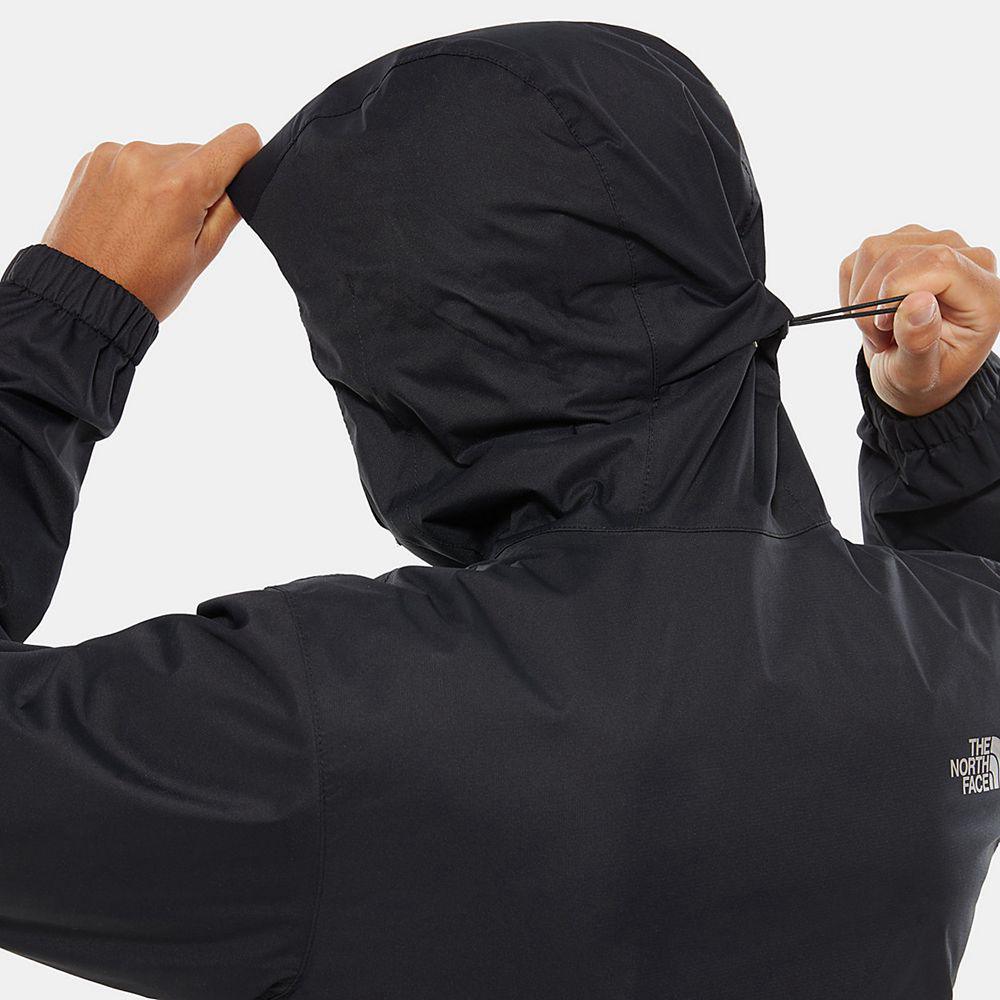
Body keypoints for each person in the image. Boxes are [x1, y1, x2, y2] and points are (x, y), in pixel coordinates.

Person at [1, 20, 999, 1000]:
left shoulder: (326, 722)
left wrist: (68, 316)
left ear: (399, 355)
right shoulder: (957, 664)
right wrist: (939, 427)